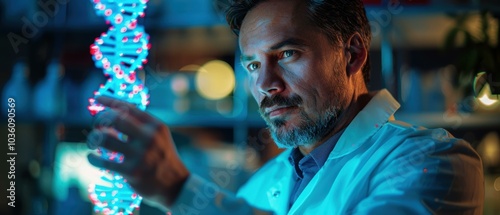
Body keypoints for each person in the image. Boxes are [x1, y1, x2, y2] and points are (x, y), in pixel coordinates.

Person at [87, 0, 484, 214]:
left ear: (353, 55)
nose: (265, 85)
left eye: (287, 53)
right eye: (253, 64)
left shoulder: (437, 162)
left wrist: (180, 191)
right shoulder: (258, 188)